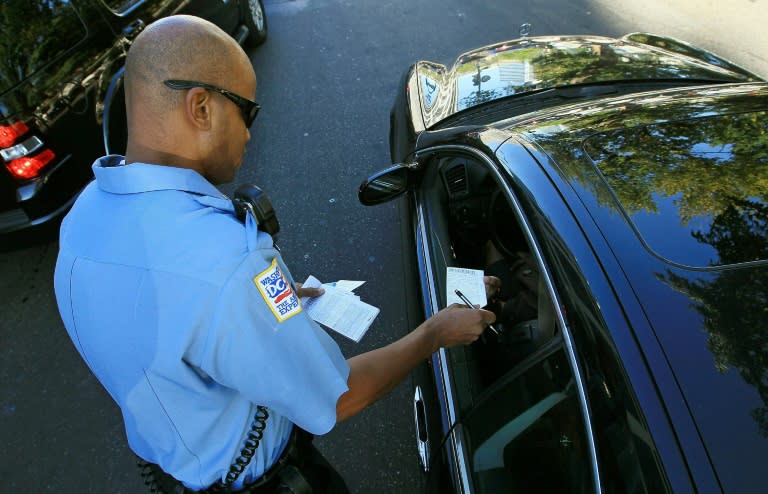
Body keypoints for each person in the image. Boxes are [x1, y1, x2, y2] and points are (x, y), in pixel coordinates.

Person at [53, 15, 497, 494]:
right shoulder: (231, 262)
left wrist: (267, 305)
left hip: (171, 471)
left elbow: (164, 324)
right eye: (247, 111)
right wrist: (434, 333)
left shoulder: (82, 221)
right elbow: (336, 398)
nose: (249, 133)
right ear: (200, 107)